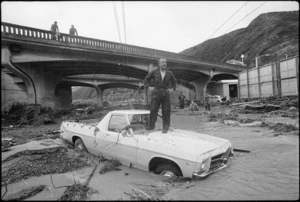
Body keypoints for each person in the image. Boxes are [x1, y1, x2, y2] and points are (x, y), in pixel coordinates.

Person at [144, 58, 176, 133]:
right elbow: (146, 79)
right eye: (162, 62)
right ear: (159, 64)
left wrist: (172, 89)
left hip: (166, 93)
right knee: (153, 109)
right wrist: (149, 87)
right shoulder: (154, 72)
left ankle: (165, 127)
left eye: (165, 62)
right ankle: (151, 126)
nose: (164, 64)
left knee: (166, 110)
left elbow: (174, 81)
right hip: (156, 92)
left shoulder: (170, 73)